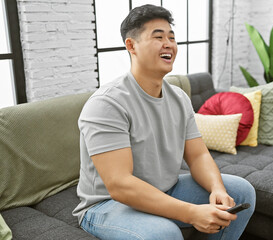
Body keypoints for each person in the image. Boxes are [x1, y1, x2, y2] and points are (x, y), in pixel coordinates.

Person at [72, 4, 256, 240]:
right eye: (158, 37)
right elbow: (120, 185)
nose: (169, 44)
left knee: (240, 192)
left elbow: (198, 156)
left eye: (171, 37)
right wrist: (191, 213)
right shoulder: (107, 104)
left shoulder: (178, 97)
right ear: (131, 46)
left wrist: (217, 189)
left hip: (167, 188)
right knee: (164, 234)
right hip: (106, 204)